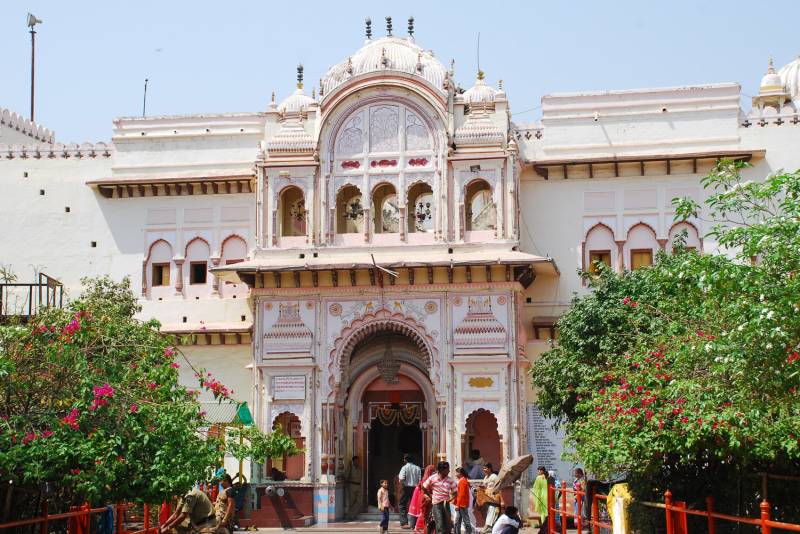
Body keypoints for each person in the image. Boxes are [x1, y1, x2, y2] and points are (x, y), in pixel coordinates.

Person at [422, 461, 458, 534]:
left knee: (448, 526)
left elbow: (455, 492)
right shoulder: (432, 478)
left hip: (446, 504)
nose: (449, 471)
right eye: (447, 469)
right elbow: (424, 487)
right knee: (440, 525)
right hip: (436, 504)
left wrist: (450, 499)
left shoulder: (450, 480)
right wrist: (429, 495)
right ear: (441, 470)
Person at [399, 454, 422, 529]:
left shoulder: (404, 467)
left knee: (402, 505)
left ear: (405, 459)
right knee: (415, 505)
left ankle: (404, 522)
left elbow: (401, 478)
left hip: (406, 487)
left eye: (404, 459)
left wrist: (402, 484)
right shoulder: (417, 468)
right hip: (415, 489)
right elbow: (420, 479)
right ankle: (414, 523)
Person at [413, 465, 436, 534]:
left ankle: (422, 528)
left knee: (425, 514)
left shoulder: (427, 478)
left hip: (427, 498)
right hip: (427, 499)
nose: (434, 472)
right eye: (433, 471)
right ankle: (420, 529)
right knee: (425, 514)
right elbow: (425, 490)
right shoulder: (427, 479)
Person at [531, 466, 552, 534]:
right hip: (550, 495)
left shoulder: (539, 477)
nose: (538, 472)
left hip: (543, 495)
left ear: (541, 471)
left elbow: (536, 488)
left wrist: (537, 496)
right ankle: (550, 525)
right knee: (549, 511)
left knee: (543, 512)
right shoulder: (549, 476)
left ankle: (545, 526)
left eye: (538, 471)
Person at [480, 464, 500, 534]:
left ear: (490, 468)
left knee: (492, 510)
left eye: (485, 468)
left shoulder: (494, 477)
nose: (484, 470)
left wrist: (500, 499)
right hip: (487, 497)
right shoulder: (486, 477)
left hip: (493, 498)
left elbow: (498, 488)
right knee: (488, 511)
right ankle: (488, 527)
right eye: (483, 468)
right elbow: (485, 487)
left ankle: (486, 526)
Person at [453, 467, 473, 534]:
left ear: (460, 473)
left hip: (462, 504)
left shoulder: (462, 481)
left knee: (465, 521)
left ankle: (468, 532)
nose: (455, 474)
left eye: (456, 473)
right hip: (462, 504)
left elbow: (461, 495)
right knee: (458, 520)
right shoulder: (463, 480)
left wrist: (457, 505)